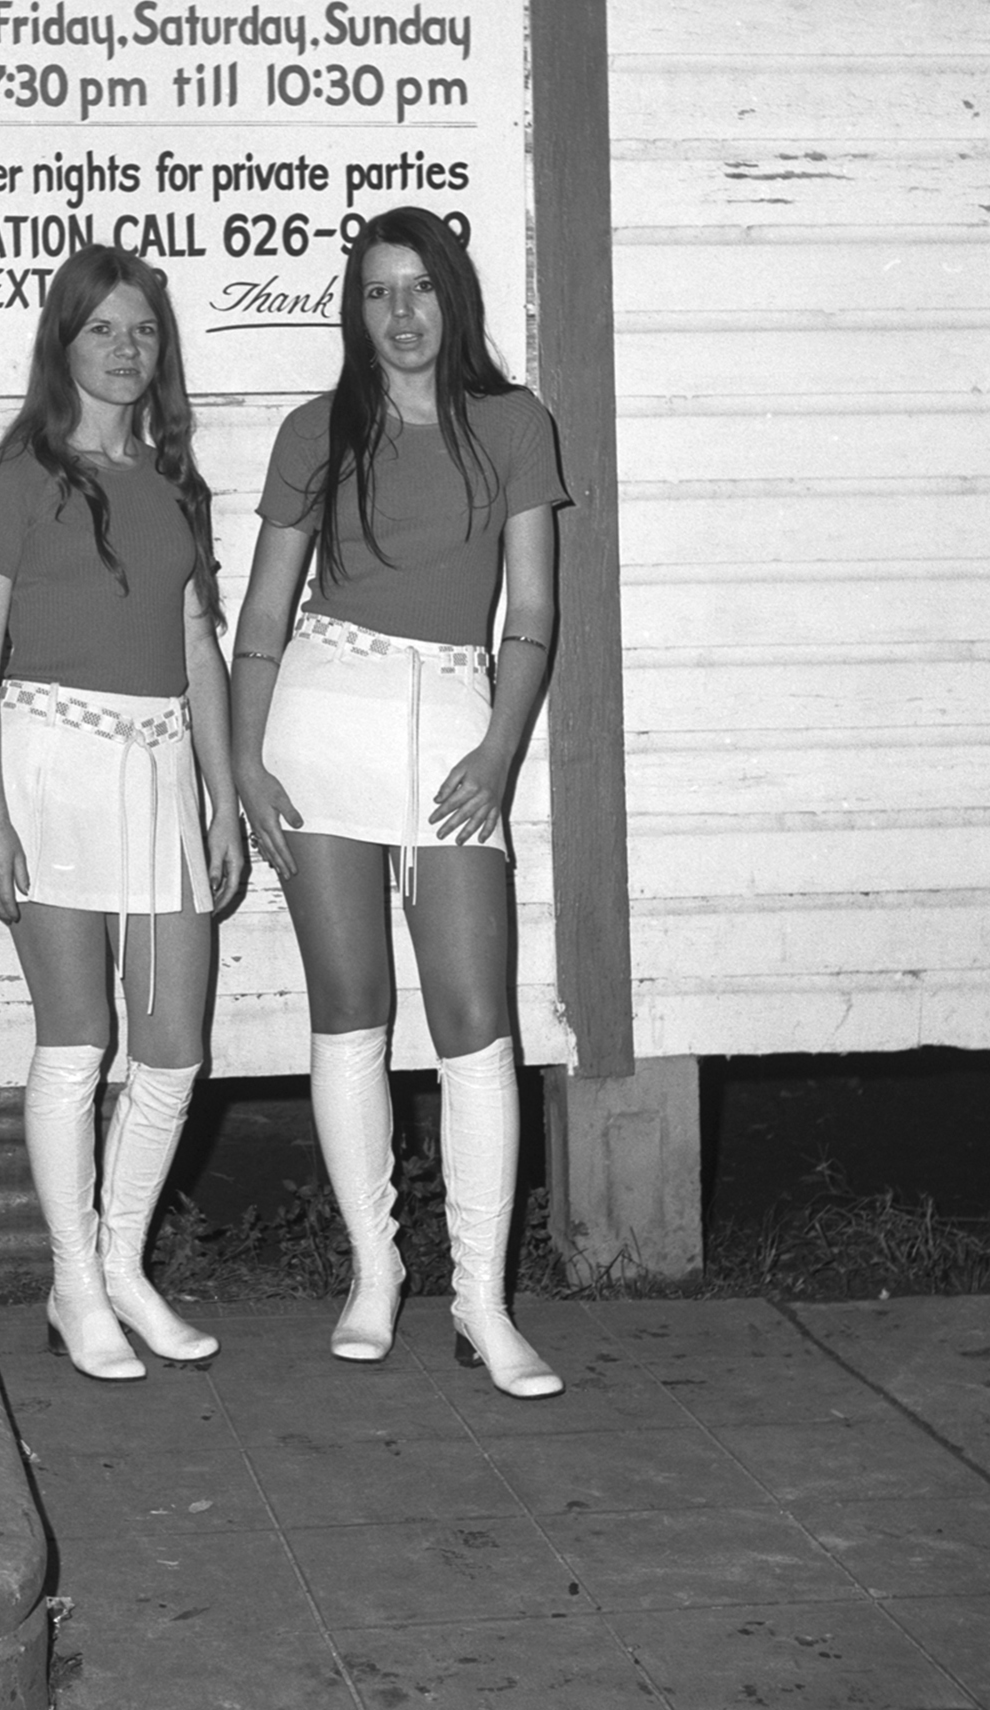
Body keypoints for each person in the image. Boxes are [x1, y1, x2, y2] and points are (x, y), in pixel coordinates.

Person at [231, 207, 568, 1399]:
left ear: (451, 299)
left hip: (453, 731)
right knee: (350, 1010)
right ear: (353, 309)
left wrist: (500, 749)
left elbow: (529, 613)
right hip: (322, 719)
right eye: (377, 293)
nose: (401, 314)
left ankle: (481, 1297)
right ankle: (374, 1269)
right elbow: (263, 615)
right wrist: (241, 762)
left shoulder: (514, 423)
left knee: (477, 1023)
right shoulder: (314, 429)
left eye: (419, 289)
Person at [0, 245, 243, 1382]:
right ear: (61, 345)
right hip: (47, 764)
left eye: (142, 332)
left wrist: (221, 799)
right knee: (77, 1041)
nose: (126, 351)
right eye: (102, 331)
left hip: (161, 766)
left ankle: (124, 1265)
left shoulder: (175, 484)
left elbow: (195, 646)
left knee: (172, 1049)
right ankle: (73, 1282)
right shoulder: (13, 479)